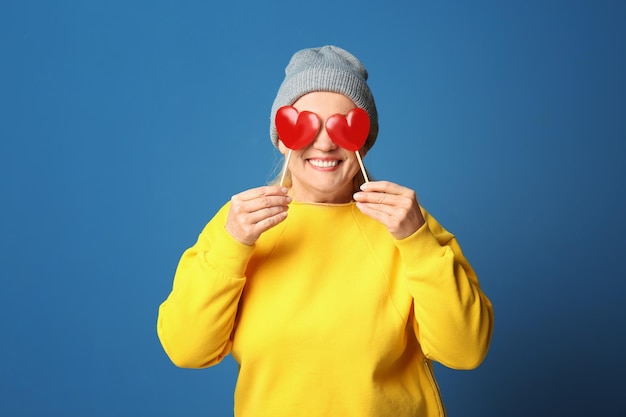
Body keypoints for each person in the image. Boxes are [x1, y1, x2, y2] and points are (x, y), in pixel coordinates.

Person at [157, 45, 494, 417]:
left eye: (342, 126)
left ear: (364, 142)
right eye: (305, 125)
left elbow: (465, 351)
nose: (324, 142)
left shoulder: (407, 223)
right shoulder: (239, 224)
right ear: (282, 138)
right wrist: (232, 246)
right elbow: (187, 350)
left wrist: (417, 241)